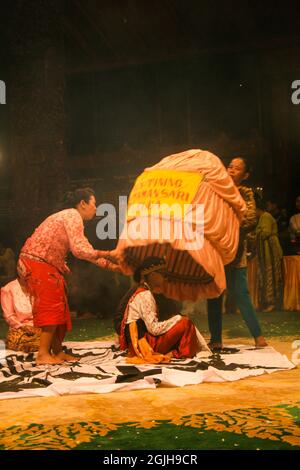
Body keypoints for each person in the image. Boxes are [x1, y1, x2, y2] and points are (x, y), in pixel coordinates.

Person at [17, 187, 120, 365]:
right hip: (37, 263)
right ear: (83, 203)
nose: (96, 209)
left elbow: (86, 251)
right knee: (52, 306)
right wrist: (110, 253)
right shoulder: (73, 215)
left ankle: (57, 351)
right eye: (94, 204)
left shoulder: (69, 216)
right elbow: (80, 250)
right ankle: (42, 354)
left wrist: (112, 266)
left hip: (41, 264)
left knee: (60, 306)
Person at [207, 157, 267, 350]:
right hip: (215, 250)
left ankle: (258, 337)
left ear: (245, 175)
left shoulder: (245, 192)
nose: (231, 169)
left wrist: (230, 229)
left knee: (241, 293)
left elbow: (250, 219)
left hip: (236, 249)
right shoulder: (215, 190)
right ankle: (216, 339)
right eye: (230, 166)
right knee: (214, 293)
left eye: (237, 167)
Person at [115, 257, 209, 363]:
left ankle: (178, 351)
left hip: (140, 340)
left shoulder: (144, 291)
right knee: (185, 323)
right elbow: (154, 329)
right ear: (152, 275)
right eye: (162, 273)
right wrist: (176, 319)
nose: (164, 278)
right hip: (143, 343)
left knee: (182, 322)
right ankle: (179, 353)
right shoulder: (145, 295)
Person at [255, 197, 283, 312]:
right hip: (266, 251)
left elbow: (265, 233)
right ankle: (267, 303)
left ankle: (272, 303)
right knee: (267, 275)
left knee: (271, 275)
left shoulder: (265, 216)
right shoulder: (263, 217)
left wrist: (255, 233)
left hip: (270, 251)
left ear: (257, 209)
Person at [1, 277, 41, 352]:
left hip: (38, 327)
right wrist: (23, 327)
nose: (24, 270)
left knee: (50, 338)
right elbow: (9, 315)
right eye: (21, 267)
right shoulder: (8, 289)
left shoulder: (38, 285)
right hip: (19, 329)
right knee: (24, 342)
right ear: (17, 268)